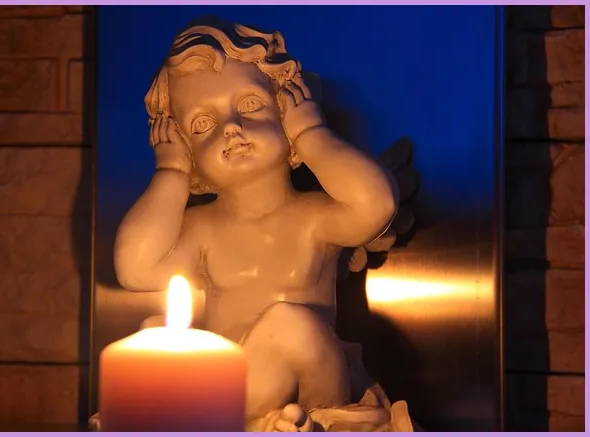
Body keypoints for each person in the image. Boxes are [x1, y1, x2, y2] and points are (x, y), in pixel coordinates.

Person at [114, 16, 399, 431]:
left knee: (291, 325)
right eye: (202, 124)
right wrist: (171, 173)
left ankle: (270, 420)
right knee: (153, 341)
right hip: (231, 385)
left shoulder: (313, 218)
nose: (231, 128)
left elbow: (377, 204)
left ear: (285, 113)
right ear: (187, 151)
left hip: (313, 384)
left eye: (250, 105)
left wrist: (312, 134)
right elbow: (134, 268)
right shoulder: (200, 230)